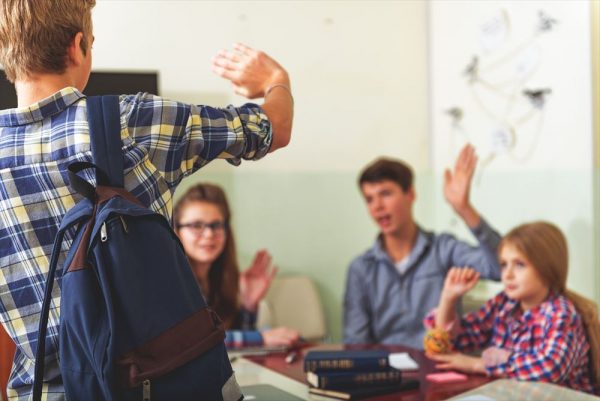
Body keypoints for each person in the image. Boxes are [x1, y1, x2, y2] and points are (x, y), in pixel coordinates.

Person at [0, 1, 293, 399]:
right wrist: (277, 80)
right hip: (152, 385)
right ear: (79, 45)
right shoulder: (132, 120)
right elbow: (272, 127)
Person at [343, 144, 502, 349]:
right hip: (385, 373)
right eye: (369, 199)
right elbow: (356, 343)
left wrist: (464, 209)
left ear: (410, 194)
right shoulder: (361, 269)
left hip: (441, 366)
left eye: (385, 194)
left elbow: (500, 269)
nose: (377, 206)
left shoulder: (443, 249)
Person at [425, 222, 600, 394]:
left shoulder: (560, 313)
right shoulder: (504, 304)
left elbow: (549, 368)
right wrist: (448, 297)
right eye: (503, 264)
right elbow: (456, 340)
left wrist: (478, 364)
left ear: (547, 269)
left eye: (519, 264)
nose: (507, 275)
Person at [173, 183, 301, 347]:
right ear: (176, 231)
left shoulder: (218, 279)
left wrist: (248, 306)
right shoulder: (173, 282)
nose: (209, 234)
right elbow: (195, 340)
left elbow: (231, 349)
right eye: (196, 225)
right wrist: (261, 338)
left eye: (216, 225)